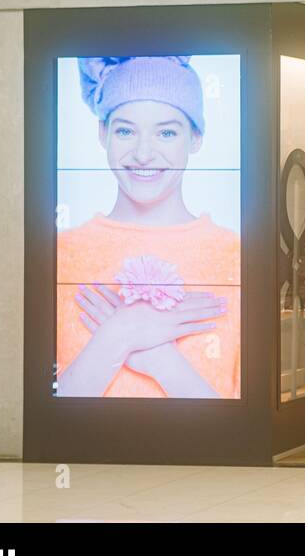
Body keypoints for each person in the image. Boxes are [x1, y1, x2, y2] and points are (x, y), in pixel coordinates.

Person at [56, 56, 240, 398]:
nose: (143, 153)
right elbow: (41, 425)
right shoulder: (58, 252)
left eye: (166, 132)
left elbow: (243, 433)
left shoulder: (237, 256)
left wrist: (161, 360)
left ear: (196, 137)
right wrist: (119, 333)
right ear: (103, 134)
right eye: (125, 130)